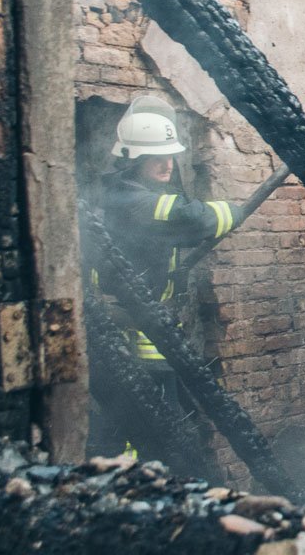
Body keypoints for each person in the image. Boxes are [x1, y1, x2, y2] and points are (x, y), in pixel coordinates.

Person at [91, 95, 237, 458]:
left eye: (170, 154)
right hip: (132, 326)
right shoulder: (133, 199)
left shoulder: (132, 194)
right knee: (147, 416)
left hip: (145, 322)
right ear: (132, 159)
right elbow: (193, 219)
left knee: (158, 409)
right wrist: (234, 210)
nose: (167, 164)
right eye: (156, 156)